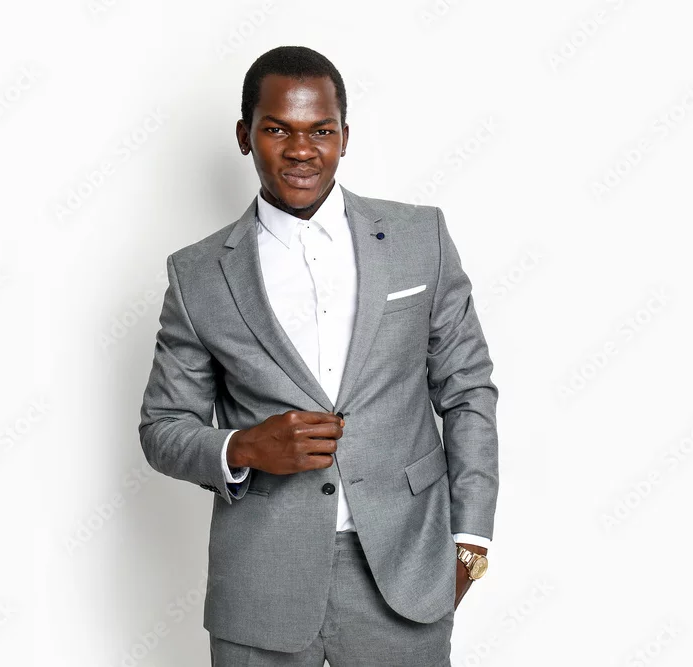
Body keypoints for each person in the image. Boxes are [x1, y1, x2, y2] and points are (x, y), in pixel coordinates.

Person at [138, 45, 499, 667]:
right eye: (278, 129)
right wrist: (244, 447)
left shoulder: (421, 238)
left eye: (321, 131)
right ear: (245, 136)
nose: (301, 150)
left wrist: (470, 539)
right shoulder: (197, 275)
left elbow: (468, 390)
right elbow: (162, 428)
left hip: (405, 568)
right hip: (261, 583)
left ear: (344, 137)